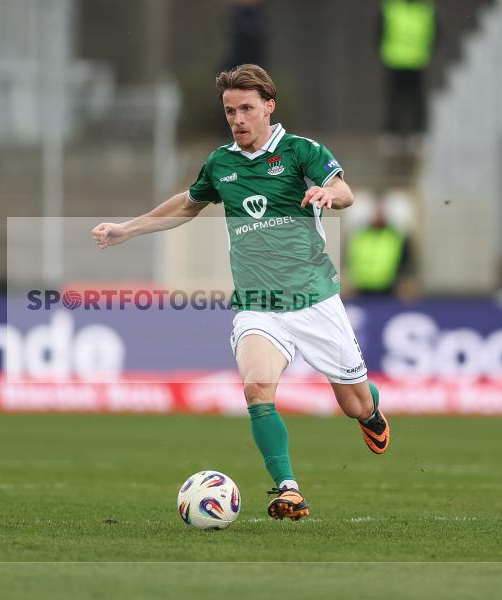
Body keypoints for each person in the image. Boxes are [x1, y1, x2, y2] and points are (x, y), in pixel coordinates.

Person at [92, 64, 389, 521]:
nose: (238, 119)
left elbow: (342, 188)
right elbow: (187, 205)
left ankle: (370, 410)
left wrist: (330, 195)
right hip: (258, 305)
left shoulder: (300, 151)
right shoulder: (221, 164)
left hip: (314, 299)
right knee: (256, 387)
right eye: (230, 111)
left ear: (269, 106)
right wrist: (127, 229)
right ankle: (288, 488)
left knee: (354, 403)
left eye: (247, 108)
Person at [379, 0, 437, 143]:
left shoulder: (426, 7)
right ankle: (392, 132)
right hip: (395, 59)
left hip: (417, 60)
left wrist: (429, 51)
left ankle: (418, 131)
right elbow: (379, 31)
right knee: (394, 98)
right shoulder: (391, 6)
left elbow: (436, 32)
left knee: (416, 98)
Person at [347, 199, 413, 297]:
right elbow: (350, 259)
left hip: (389, 289)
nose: (377, 216)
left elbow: (405, 261)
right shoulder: (359, 236)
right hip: (362, 288)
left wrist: (405, 282)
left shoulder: (395, 236)